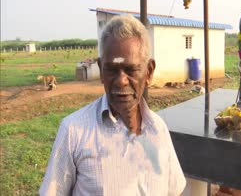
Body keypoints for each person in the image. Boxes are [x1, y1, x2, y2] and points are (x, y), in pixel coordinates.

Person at [39, 15, 186, 195]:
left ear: (148, 72)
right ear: (101, 70)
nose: (121, 81)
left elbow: (174, 190)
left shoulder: (158, 129)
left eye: (131, 70)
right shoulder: (74, 131)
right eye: (111, 70)